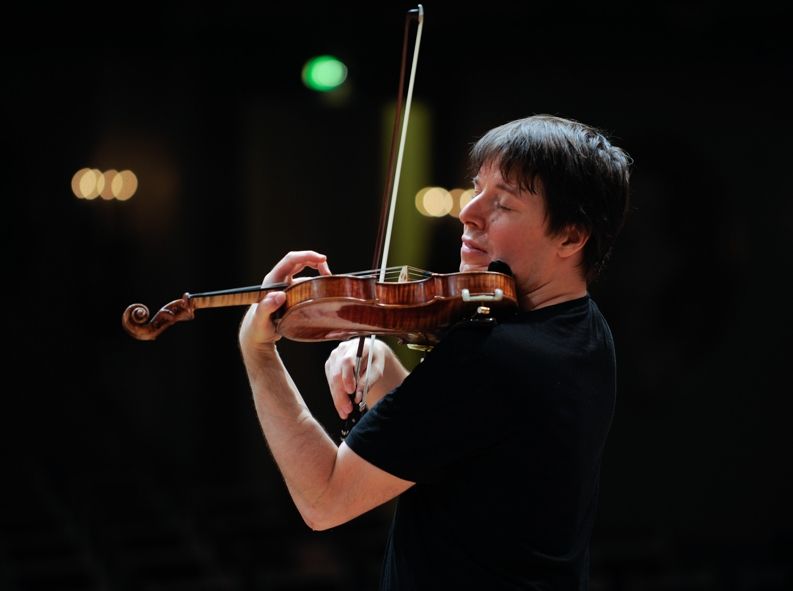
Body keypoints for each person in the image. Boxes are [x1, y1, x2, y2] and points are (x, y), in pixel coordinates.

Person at [238, 114, 632, 589]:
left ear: (571, 236)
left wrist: (259, 355)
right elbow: (463, 442)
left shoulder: (491, 353)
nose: (469, 212)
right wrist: (384, 365)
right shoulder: (586, 332)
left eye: (503, 203)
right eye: (476, 188)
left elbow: (324, 499)